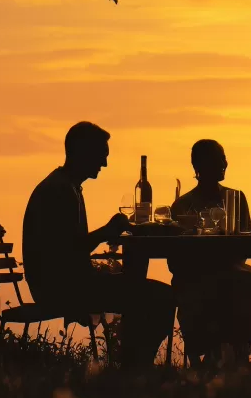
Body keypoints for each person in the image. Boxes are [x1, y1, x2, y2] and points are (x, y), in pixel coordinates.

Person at [22, 122, 174, 367]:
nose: (104, 164)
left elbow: (67, 249)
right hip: (61, 289)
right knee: (162, 296)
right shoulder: (61, 191)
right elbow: (69, 251)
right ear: (83, 152)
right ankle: (135, 368)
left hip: (56, 283)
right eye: (101, 156)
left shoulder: (64, 186)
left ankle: (132, 365)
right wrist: (106, 232)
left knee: (138, 288)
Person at [169, 139, 251, 363]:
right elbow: (176, 259)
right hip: (197, 277)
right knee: (238, 286)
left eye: (224, 158)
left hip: (233, 271)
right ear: (199, 165)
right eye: (218, 158)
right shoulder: (183, 206)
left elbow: (245, 243)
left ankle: (233, 352)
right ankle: (229, 354)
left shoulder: (235, 197)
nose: (224, 163)